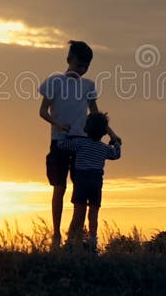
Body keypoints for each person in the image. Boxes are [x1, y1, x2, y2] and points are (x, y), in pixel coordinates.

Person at [38, 40, 120, 248]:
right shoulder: (54, 81)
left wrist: (111, 132)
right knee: (59, 186)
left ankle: (73, 238)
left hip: (82, 142)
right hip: (60, 141)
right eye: (79, 65)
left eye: (85, 67)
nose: (82, 70)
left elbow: (95, 113)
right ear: (69, 60)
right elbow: (43, 111)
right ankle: (56, 235)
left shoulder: (88, 85)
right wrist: (58, 125)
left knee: (80, 191)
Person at [57, 112, 122, 251]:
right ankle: (93, 242)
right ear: (104, 132)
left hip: (81, 180)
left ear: (86, 128)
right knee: (93, 213)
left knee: (78, 213)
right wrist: (115, 141)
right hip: (96, 181)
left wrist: (64, 131)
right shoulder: (104, 148)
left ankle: (71, 243)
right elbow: (116, 155)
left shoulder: (80, 143)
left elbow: (62, 144)